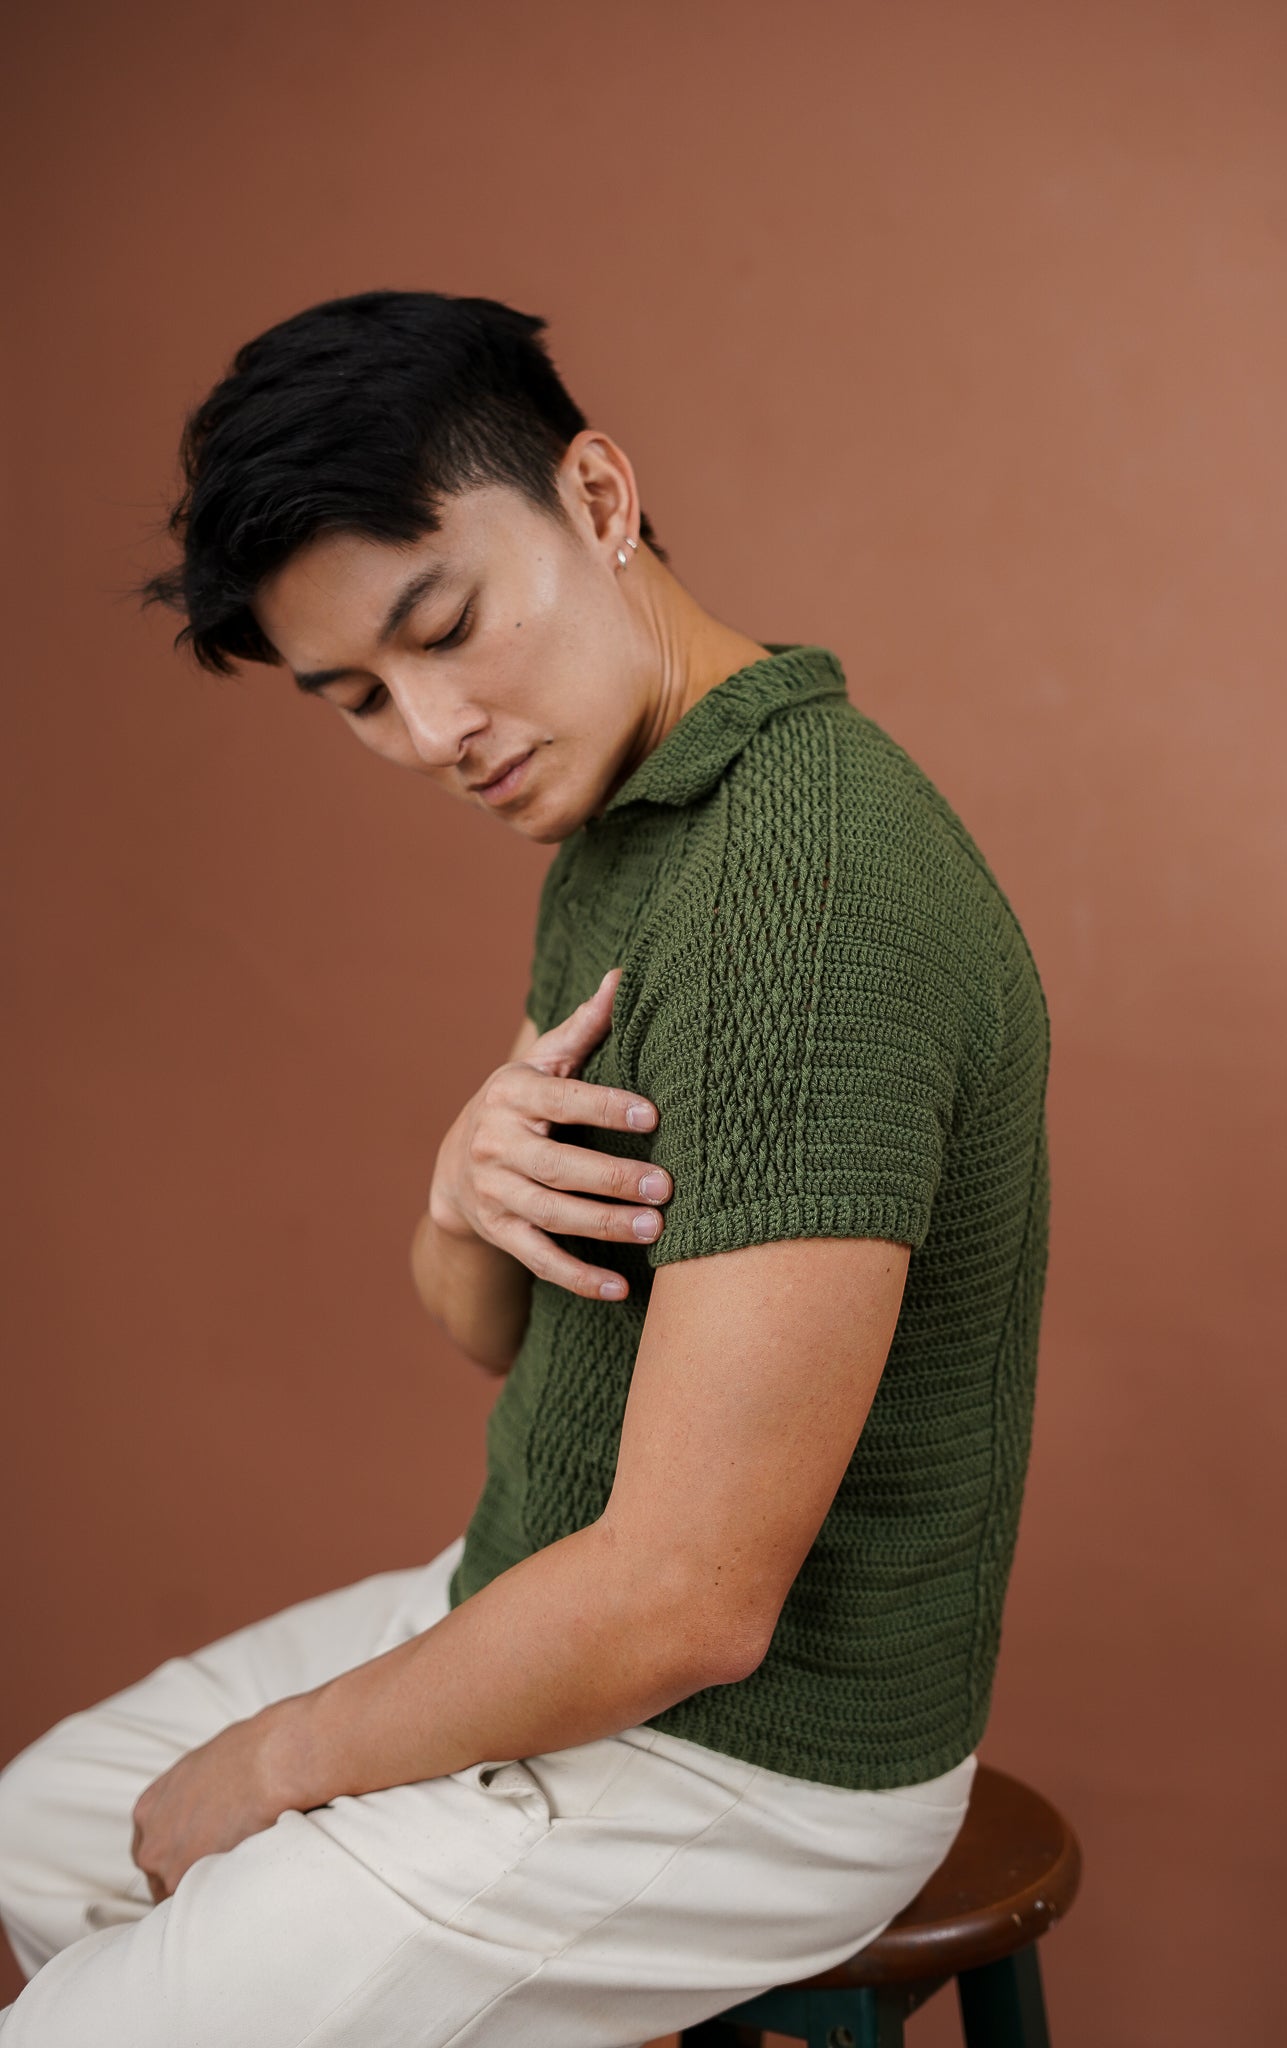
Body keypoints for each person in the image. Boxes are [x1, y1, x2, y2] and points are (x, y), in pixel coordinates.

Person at [0, 291, 1052, 2046]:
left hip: (742, 1765)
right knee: (45, 1835)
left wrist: (273, 1769)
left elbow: (686, 1600)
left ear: (599, 494)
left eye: (447, 628)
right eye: (356, 697)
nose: (431, 733)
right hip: (528, 1594)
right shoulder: (625, 811)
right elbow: (507, 1334)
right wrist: (459, 1184)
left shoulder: (812, 896)